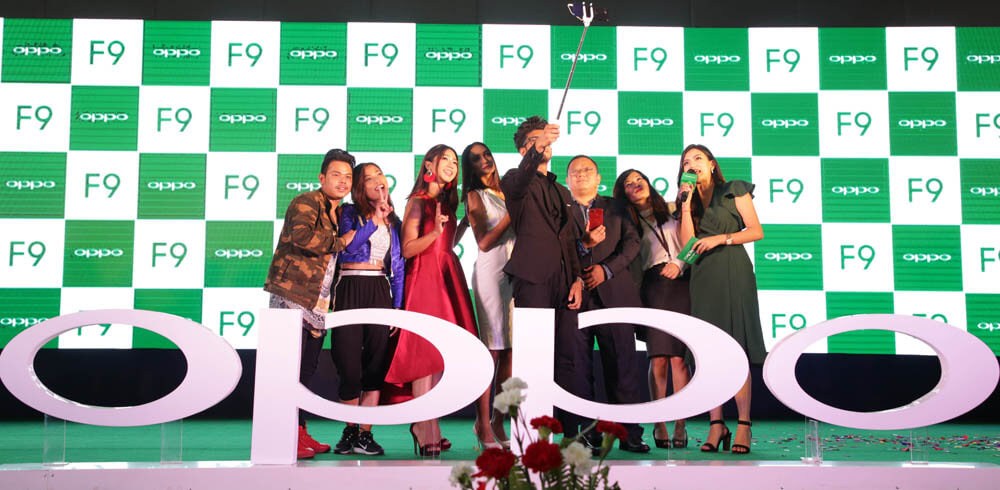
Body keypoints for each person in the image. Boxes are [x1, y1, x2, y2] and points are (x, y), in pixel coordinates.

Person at [386, 144, 488, 456]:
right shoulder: (419, 201)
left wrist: (463, 225)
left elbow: (446, 243)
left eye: (455, 161)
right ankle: (423, 424)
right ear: (429, 164)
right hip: (424, 278)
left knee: (443, 355)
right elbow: (408, 249)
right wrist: (435, 234)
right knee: (424, 355)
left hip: (446, 273)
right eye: (446, 159)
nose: (452, 165)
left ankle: (430, 424)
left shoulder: (446, 202)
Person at [264, 149, 357, 459]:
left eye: (348, 177)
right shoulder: (307, 201)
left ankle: (299, 430)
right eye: (336, 175)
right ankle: (286, 435)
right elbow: (301, 237)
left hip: (318, 301)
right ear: (321, 177)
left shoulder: (340, 212)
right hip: (293, 296)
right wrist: (342, 242)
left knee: (306, 371)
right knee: (290, 370)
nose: (343, 181)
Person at [500, 116, 585, 438]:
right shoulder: (514, 179)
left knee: (568, 356)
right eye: (535, 141)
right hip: (532, 277)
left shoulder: (562, 189)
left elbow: (569, 239)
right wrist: (537, 148)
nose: (544, 144)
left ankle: (571, 432)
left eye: (545, 139)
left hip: (565, 281)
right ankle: (531, 434)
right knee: (533, 357)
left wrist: (577, 279)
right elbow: (520, 180)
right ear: (525, 150)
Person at [677, 144, 765, 455]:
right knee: (708, 352)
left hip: (733, 269)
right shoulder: (686, 201)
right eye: (686, 161)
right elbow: (688, 245)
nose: (692, 164)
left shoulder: (733, 189)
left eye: (698, 158)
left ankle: (743, 424)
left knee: (736, 346)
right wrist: (685, 205)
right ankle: (716, 424)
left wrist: (720, 239)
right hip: (703, 276)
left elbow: (756, 231)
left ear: (712, 164)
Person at [565, 156, 650, 454]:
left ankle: (628, 432)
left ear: (599, 178)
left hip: (615, 294)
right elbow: (555, 249)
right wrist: (580, 261)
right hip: (574, 297)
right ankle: (585, 433)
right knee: (577, 368)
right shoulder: (559, 208)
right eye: (575, 171)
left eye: (588, 170)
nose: (582, 175)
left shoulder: (616, 206)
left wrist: (606, 270)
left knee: (623, 365)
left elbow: (632, 243)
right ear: (568, 179)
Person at [613, 168, 692, 450]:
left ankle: (681, 422)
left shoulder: (672, 209)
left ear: (649, 183)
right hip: (653, 286)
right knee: (658, 358)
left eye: (640, 180)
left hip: (682, 283)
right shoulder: (624, 222)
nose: (636, 185)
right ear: (622, 193)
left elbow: (692, 242)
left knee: (679, 359)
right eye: (629, 183)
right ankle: (659, 422)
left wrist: (679, 264)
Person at [331, 162, 404, 456]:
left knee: (375, 365)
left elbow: (398, 266)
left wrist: (397, 306)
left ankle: (365, 434)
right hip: (349, 287)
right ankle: (350, 429)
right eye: (368, 177)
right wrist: (374, 219)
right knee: (348, 365)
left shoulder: (395, 221)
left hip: (379, 289)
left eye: (379, 174)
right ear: (360, 187)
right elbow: (349, 248)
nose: (377, 180)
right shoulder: (349, 213)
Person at [461, 141, 514, 448]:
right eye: (475, 158)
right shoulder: (474, 195)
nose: (484, 160)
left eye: (486, 154)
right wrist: (512, 215)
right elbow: (483, 241)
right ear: (470, 167)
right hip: (491, 274)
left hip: (518, 274)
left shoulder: (508, 188)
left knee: (512, 352)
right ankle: (481, 422)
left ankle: (498, 419)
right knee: (492, 350)